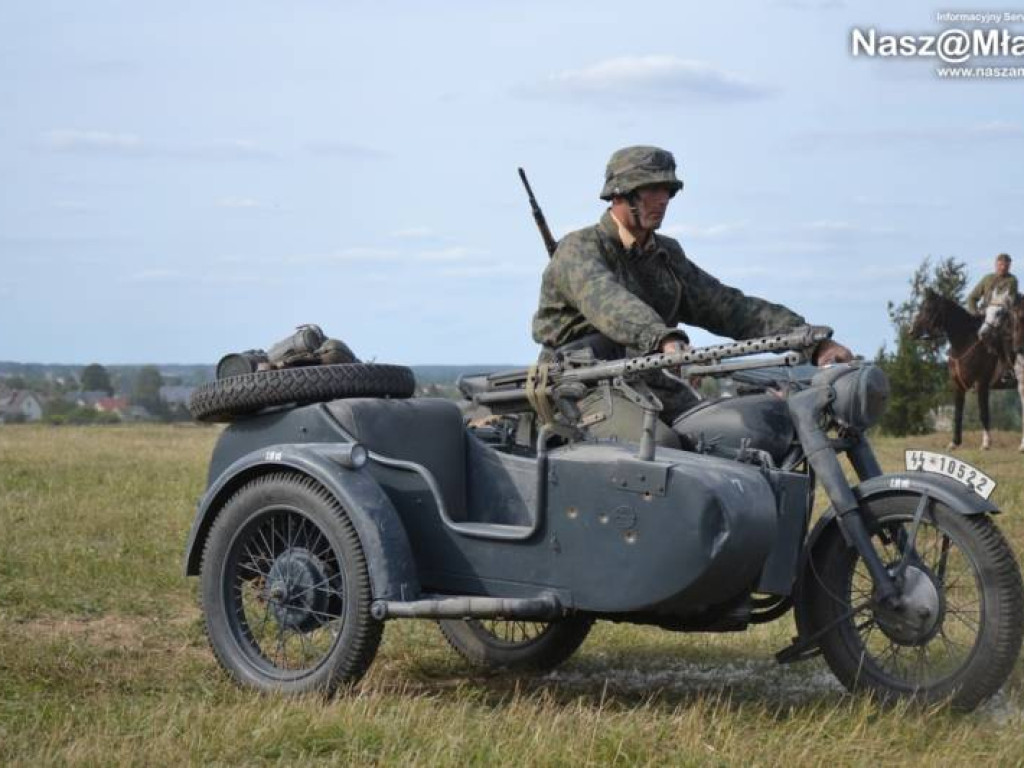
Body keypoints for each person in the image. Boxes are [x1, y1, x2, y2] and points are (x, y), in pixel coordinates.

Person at [531, 145, 852, 441]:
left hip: (644, 380)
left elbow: (727, 306)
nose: (662, 200)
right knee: (661, 449)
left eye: (668, 191)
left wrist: (811, 341)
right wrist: (662, 338)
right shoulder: (580, 248)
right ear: (620, 193)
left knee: (734, 434)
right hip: (579, 386)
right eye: (651, 189)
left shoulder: (665, 255)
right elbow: (607, 299)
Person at [967, 253, 1018, 369]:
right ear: (996, 265)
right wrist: (974, 312)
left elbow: (1011, 300)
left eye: (1006, 265)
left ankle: (1006, 366)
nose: (1003, 267)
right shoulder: (987, 279)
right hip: (984, 314)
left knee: (1007, 337)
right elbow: (972, 298)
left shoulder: (1012, 280)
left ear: (1009, 266)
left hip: (1002, 315)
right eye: (1000, 265)